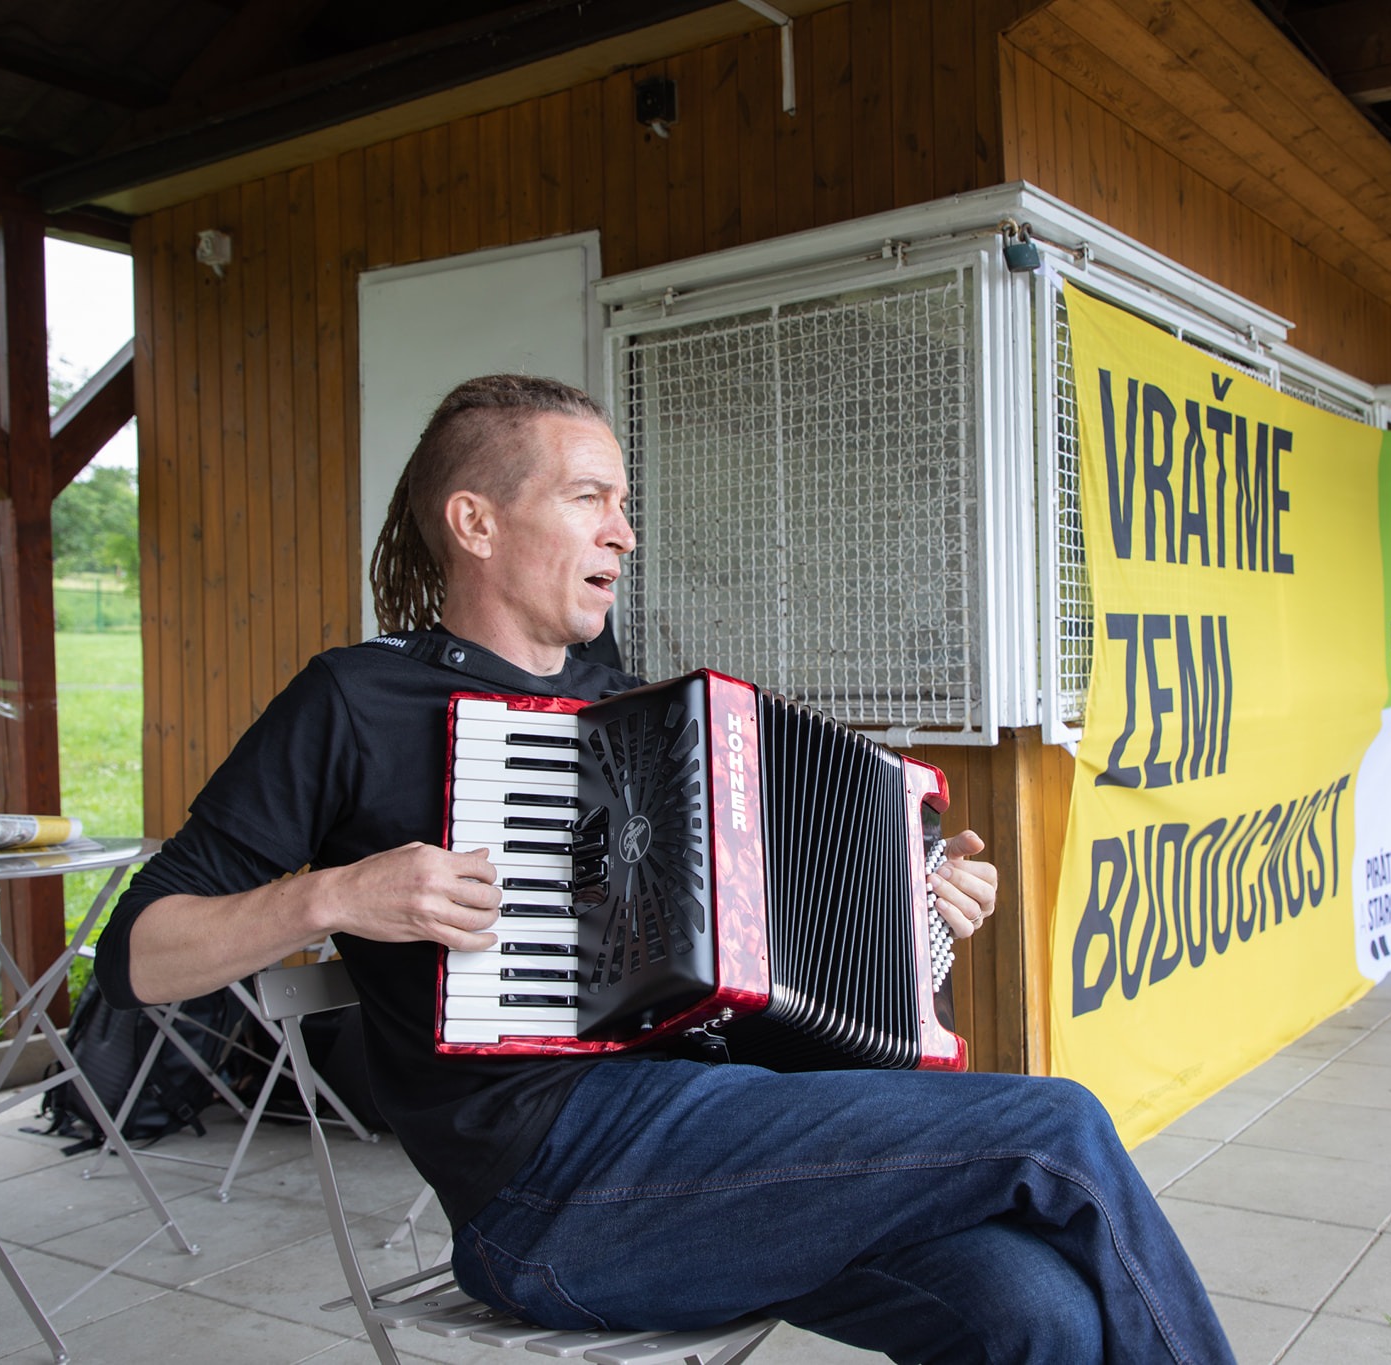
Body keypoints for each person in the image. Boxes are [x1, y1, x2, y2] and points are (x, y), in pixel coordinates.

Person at [93, 375, 1235, 1365]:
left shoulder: (627, 711)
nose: (622, 534)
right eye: (589, 499)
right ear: (475, 522)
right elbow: (139, 957)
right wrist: (332, 895)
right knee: (1055, 1129)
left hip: (711, 1140)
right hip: (549, 1192)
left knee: (1034, 1317)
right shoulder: (354, 701)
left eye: (622, 505)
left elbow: (758, 961)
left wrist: (910, 910)